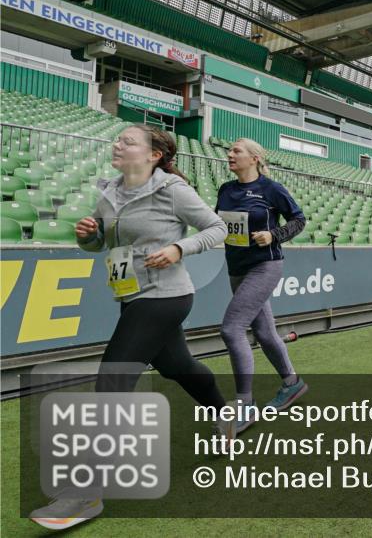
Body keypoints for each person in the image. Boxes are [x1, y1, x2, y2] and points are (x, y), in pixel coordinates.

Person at [31, 125, 230, 530]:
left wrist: (179, 247)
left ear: (154, 155)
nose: (118, 144)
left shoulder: (172, 190)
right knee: (178, 367)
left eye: (128, 141)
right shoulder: (109, 193)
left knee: (112, 378)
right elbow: (102, 244)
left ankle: (87, 492)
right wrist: (88, 235)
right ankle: (223, 412)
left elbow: (217, 228)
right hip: (131, 296)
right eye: (117, 138)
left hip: (167, 297)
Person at [216, 138, 308, 433]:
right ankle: (292, 384)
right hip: (236, 267)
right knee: (265, 332)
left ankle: (245, 406)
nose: (230, 154)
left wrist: (274, 235)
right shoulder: (225, 190)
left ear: (255, 158)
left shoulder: (272, 188)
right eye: (229, 150)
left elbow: (299, 219)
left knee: (231, 329)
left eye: (236, 151)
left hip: (265, 265)